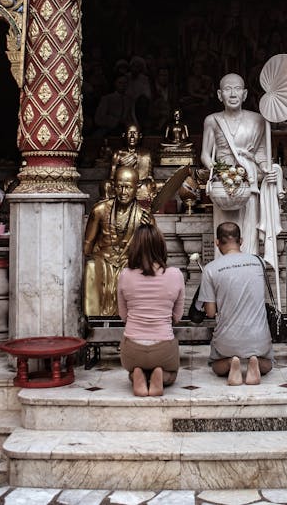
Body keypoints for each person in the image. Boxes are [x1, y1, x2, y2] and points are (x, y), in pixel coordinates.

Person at [201, 73, 280, 256]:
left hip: (248, 180)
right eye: (228, 89)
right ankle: (225, 270)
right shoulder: (212, 120)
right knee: (224, 230)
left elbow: (262, 156)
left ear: (244, 94)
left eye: (237, 89)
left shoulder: (258, 120)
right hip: (224, 185)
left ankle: (249, 268)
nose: (233, 94)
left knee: (248, 234)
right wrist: (217, 172)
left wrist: (268, 169)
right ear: (220, 95)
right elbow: (205, 154)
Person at [196, 221, 273, 385]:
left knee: (216, 365)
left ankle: (232, 362)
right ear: (241, 241)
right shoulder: (259, 262)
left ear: (217, 242)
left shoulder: (210, 269)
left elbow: (210, 312)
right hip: (258, 337)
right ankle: (255, 361)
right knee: (268, 364)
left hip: (227, 340)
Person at [117, 223, 185, 396]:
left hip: (132, 348)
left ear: (135, 247)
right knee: (172, 375)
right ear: (161, 246)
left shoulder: (125, 275)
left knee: (133, 370)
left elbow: (123, 315)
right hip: (163, 347)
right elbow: (177, 316)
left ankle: (137, 375)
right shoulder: (175, 274)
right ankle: (160, 376)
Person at [83, 167, 154, 317]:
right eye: (119, 186)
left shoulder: (144, 215)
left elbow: (153, 250)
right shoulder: (100, 210)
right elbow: (87, 244)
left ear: (136, 187)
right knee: (90, 266)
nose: (123, 192)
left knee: (138, 268)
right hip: (103, 259)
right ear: (113, 186)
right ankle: (94, 318)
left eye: (128, 187)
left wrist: (149, 228)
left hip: (130, 259)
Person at [100, 122, 156, 204]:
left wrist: (146, 182)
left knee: (151, 186)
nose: (132, 137)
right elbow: (112, 177)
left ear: (140, 136)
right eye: (130, 133)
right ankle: (108, 206)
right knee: (105, 185)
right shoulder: (118, 154)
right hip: (121, 185)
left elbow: (149, 177)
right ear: (123, 135)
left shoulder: (146, 154)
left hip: (139, 186)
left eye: (135, 133)